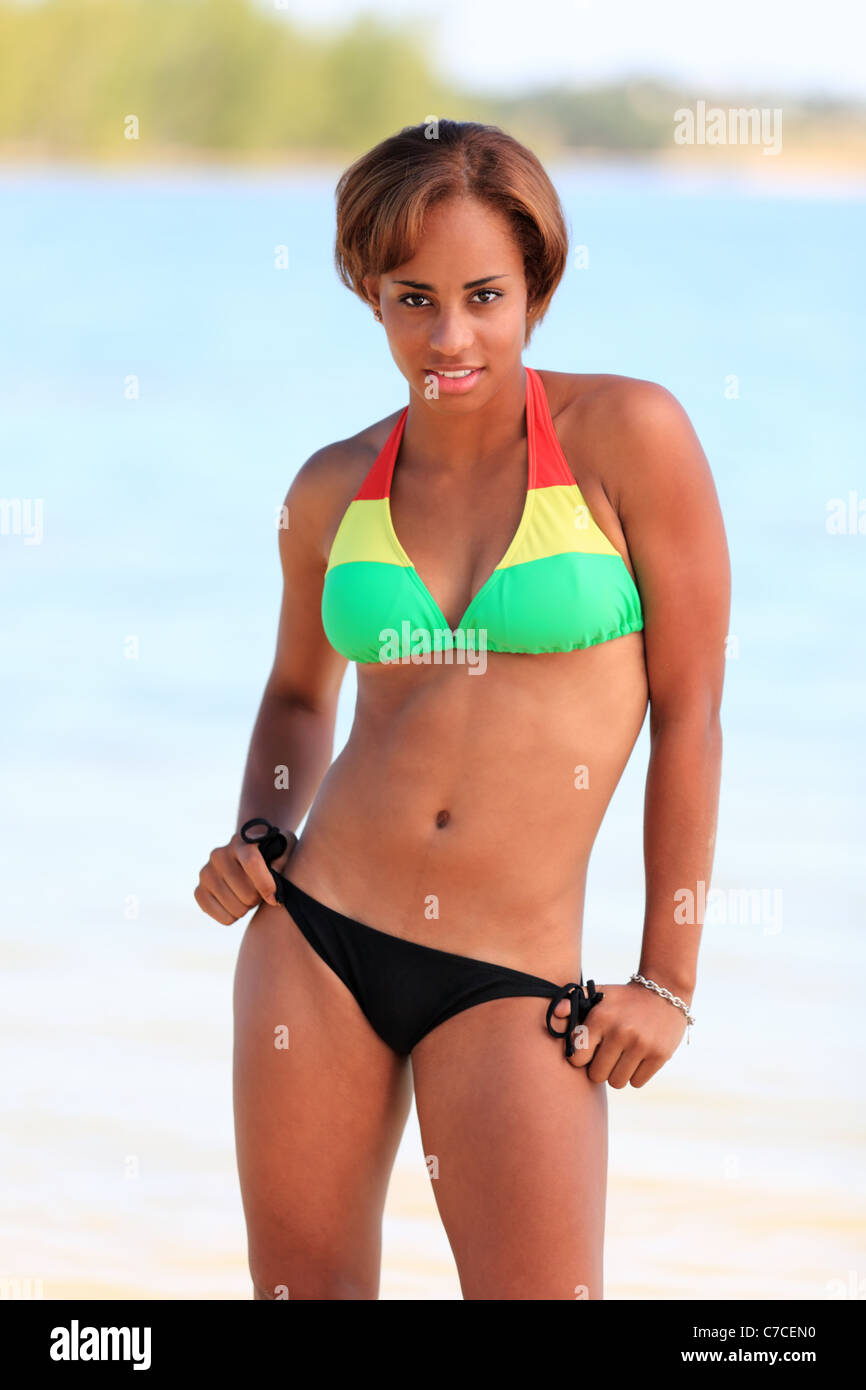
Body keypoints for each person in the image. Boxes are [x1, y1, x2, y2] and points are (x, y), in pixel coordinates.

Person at [194, 119, 730, 1301]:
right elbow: (295, 695)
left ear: (534, 284)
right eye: (412, 297)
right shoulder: (333, 485)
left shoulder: (629, 438)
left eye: (483, 293)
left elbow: (689, 716)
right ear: (368, 293)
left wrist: (665, 977)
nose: (448, 336)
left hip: (514, 980)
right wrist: (255, 833)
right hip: (315, 941)